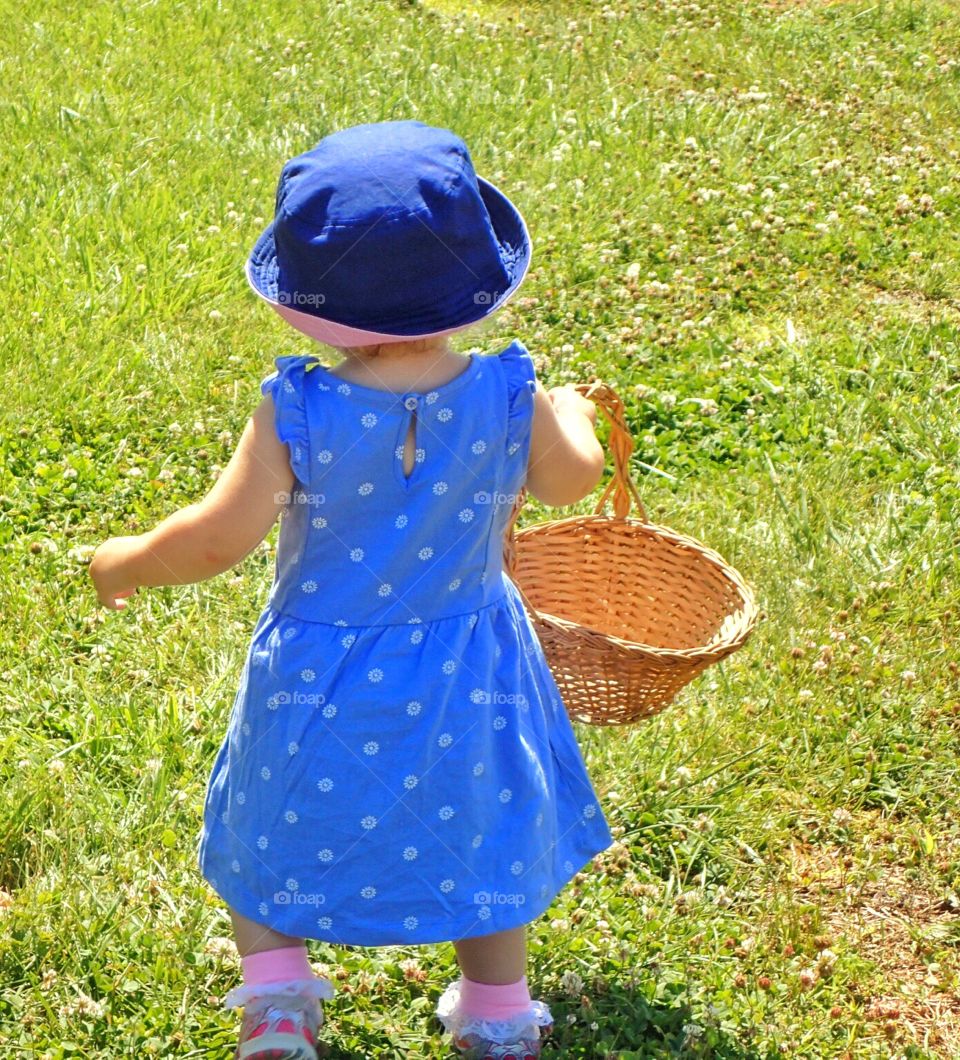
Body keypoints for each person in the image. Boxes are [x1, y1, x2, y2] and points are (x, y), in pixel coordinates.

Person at [90, 119, 614, 1060]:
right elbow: (571, 482)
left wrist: (126, 560)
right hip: (470, 667)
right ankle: (498, 1014)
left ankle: (277, 1010)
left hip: (317, 673)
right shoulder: (509, 394)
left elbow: (216, 541)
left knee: (272, 826)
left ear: (305, 306)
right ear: (475, 284)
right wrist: (571, 413)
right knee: (482, 826)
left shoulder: (297, 408)